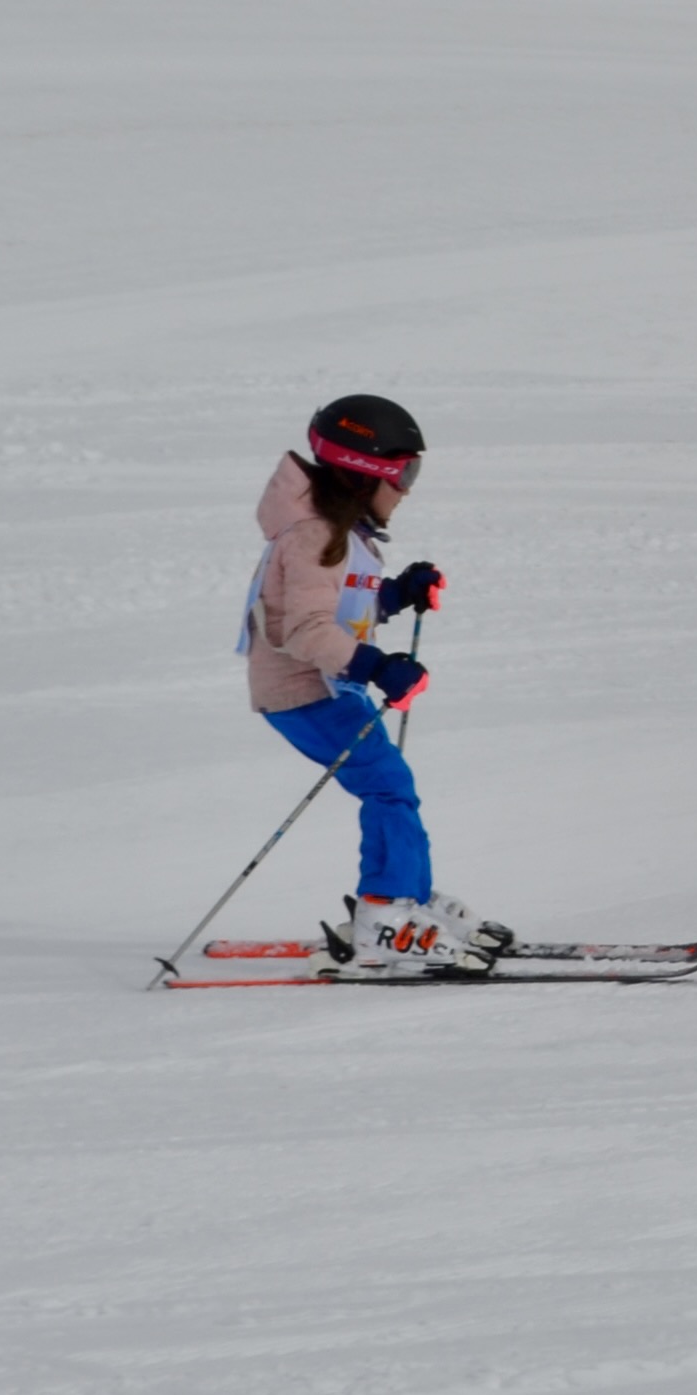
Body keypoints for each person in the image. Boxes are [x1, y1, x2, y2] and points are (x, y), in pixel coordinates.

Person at [241, 393, 501, 977]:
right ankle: (385, 917)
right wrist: (379, 667)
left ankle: (402, 899)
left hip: (329, 686)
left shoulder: (337, 534)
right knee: (388, 785)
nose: (408, 487)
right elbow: (306, 630)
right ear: (369, 472)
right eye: (405, 471)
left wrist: (395, 595)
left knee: (390, 786)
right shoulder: (312, 537)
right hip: (302, 691)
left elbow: (341, 611)